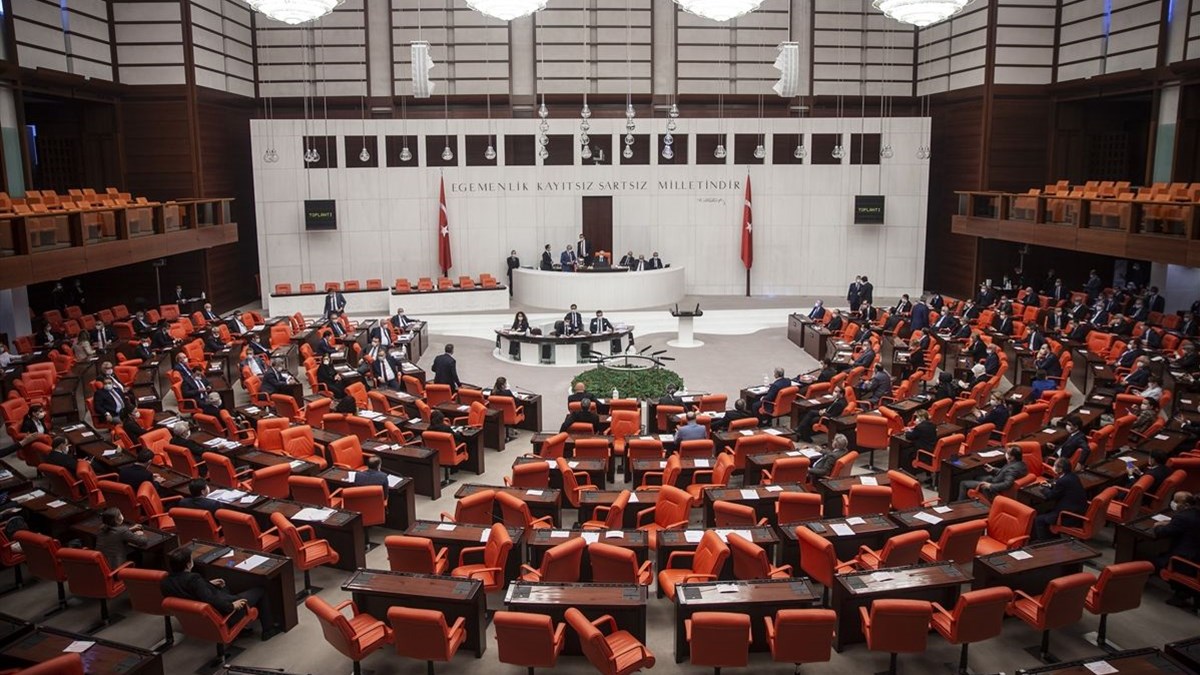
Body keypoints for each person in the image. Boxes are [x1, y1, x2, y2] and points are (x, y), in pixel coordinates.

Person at [162, 548, 272, 637]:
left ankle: (241, 629)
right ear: (187, 565)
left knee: (223, 585)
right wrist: (232, 606)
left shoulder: (166, 582)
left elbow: (187, 593)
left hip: (199, 620)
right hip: (224, 615)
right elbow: (210, 599)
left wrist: (206, 584)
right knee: (261, 590)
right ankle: (268, 631)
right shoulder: (194, 579)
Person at [1154, 492, 1200, 607]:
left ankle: (1182, 592)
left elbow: (1163, 533)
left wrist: (1158, 526)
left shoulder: (1185, 516)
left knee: (1152, 561)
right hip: (1196, 558)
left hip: (1185, 563)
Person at [1033, 457, 1088, 540]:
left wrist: (1043, 489)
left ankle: (1044, 542)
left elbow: (1051, 496)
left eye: (1055, 466)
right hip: (1079, 511)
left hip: (1068, 515)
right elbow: (1062, 489)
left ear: (1060, 469)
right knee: (1047, 511)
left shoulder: (1062, 481)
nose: (1053, 467)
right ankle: (1053, 537)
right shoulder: (1073, 476)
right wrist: (1050, 486)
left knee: (1038, 520)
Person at [957, 445, 1027, 501]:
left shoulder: (1012, 469)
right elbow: (1006, 472)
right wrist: (993, 469)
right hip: (995, 480)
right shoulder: (1021, 464)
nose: (1006, 454)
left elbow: (1007, 484)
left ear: (1012, 457)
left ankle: (959, 505)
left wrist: (990, 486)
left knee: (963, 483)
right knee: (978, 475)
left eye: (1007, 453)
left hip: (992, 489)